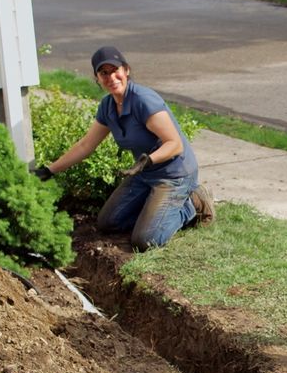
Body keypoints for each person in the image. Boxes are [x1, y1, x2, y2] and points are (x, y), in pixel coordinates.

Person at [34, 46, 215, 251]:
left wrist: (148, 160)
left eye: (115, 70)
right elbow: (86, 145)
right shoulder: (108, 106)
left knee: (146, 240)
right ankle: (154, 209)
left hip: (174, 174)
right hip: (144, 172)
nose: (111, 76)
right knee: (108, 223)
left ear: (126, 70)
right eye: (104, 73)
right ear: (97, 78)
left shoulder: (143, 100)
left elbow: (175, 144)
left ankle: (192, 204)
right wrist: (50, 170)